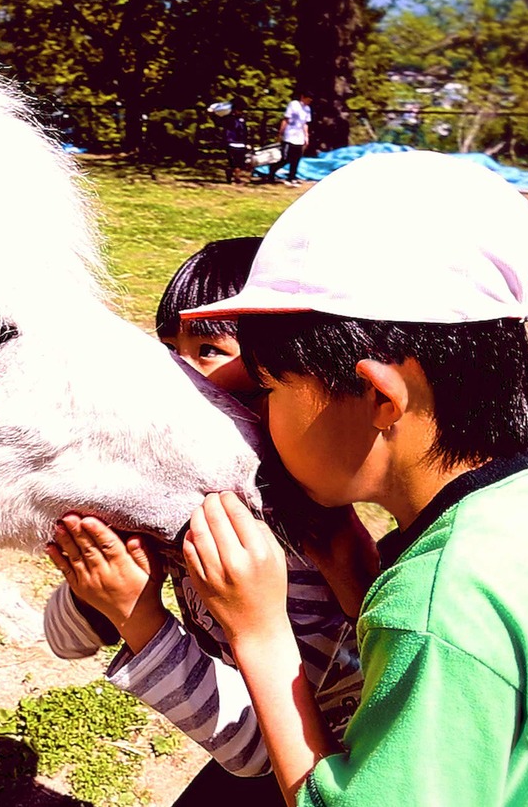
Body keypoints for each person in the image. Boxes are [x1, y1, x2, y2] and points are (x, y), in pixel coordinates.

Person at [176, 151, 528, 806]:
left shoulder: (437, 601)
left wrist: (260, 634)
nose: (259, 417)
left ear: (380, 397)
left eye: (268, 388)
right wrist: (356, 578)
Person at [41, 237, 367, 804]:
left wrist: (139, 619)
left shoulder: (303, 548)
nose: (173, 377)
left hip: (322, 772)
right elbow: (66, 642)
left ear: (276, 371)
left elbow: (259, 749)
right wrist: (101, 583)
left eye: (209, 350)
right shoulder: (182, 508)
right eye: (169, 349)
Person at [268, 91, 311, 187]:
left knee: (296, 158)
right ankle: (272, 170)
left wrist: (306, 136)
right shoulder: (293, 104)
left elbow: (305, 123)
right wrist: (281, 133)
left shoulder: (307, 109)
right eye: (307, 99)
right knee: (285, 158)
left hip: (299, 137)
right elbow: (286, 119)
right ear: (303, 97)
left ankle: (292, 177)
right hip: (289, 135)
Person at [220, 99, 252, 185]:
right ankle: (235, 176)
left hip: (241, 143)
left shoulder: (242, 120)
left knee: (240, 162)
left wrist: (246, 142)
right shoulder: (229, 119)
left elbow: (244, 132)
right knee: (233, 162)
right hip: (231, 142)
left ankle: (236, 177)